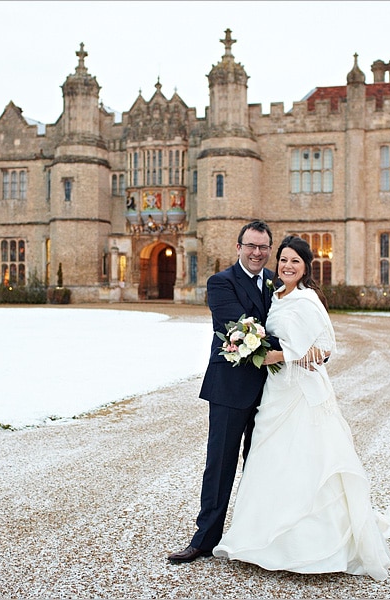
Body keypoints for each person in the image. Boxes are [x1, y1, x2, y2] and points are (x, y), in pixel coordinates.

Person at [211, 235, 390, 580]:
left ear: (305, 267)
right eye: (283, 260)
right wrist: (264, 350)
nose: (286, 266)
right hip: (276, 390)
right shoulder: (274, 294)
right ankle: (260, 538)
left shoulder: (306, 297)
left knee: (305, 457)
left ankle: (311, 544)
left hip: (300, 389)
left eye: (294, 262)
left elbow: (326, 342)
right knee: (270, 458)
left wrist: (280, 355)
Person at [168, 220, 279, 564]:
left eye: (263, 247)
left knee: (263, 465)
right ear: (238, 247)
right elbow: (241, 328)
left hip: (273, 389)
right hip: (230, 388)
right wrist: (293, 348)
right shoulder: (221, 283)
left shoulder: (276, 283)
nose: (257, 253)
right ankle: (204, 539)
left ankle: (257, 535)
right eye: (251, 246)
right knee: (220, 466)